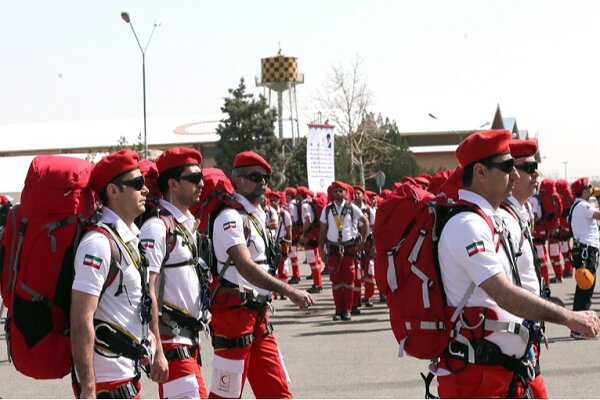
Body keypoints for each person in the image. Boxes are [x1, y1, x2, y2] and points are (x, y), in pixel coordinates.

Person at [435, 130, 600, 398]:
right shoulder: (467, 226)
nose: (515, 175)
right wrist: (569, 317)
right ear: (480, 172)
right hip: (478, 379)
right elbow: (503, 293)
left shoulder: (489, 219)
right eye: (508, 167)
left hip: (505, 370)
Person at [208, 151, 314, 399]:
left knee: (277, 392)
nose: (263, 183)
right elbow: (246, 267)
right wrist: (288, 290)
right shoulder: (230, 217)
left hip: (259, 317)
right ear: (237, 179)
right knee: (226, 396)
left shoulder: (258, 216)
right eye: (255, 177)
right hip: (234, 320)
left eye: (265, 177)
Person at [71, 149, 152, 399]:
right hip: (107, 383)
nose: (146, 190)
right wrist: (88, 387)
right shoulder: (98, 243)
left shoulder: (127, 238)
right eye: (138, 184)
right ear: (113, 191)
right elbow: (81, 318)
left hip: (127, 374)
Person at [139, 147, 209, 398]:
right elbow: (146, 292)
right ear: (173, 184)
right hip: (171, 342)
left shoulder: (185, 225)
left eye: (201, 177)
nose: (202, 183)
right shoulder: (157, 228)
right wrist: (156, 349)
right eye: (194, 178)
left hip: (188, 342)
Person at [498, 139, 548, 398]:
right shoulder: (504, 218)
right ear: (511, 174)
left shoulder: (519, 211)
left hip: (527, 332)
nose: (535, 173)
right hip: (516, 334)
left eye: (535, 166)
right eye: (529, 167)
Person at [318, 181, 368, 321]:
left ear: (346, 193)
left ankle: (347, 310)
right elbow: (322, 231)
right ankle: (338, 310)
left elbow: (365, 222)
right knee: (336, 282)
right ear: (332, 194)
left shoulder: (352, 208)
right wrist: (321, 250)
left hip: (349, 248)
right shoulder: (327, 210)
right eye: (335, 191)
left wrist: (363, 240)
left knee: (349, 281)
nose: (338, 193)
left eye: (341, 191)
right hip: (333, 249)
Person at [569, 177, 600, 339]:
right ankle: (579, 328)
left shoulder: (579, 205)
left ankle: (578, 327)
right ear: (583, 191)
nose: (592, 188)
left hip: (586, 249)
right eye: (589, 186)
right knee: (585, 288)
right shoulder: (583, 206)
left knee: (584, 288)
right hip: (587, 250)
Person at [353, 185, 376, 308]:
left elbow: (375, 230)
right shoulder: (349, 209)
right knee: (357, 273)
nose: (356, 196)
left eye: (358, 193)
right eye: (354, 193)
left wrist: (374, 247)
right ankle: (357, 298)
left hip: (368, 245)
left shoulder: (369, 211)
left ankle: (369, 297)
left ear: (363, 195)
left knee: (369, 272)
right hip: (355, 245)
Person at [267, 190, 293, 300]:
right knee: (272, 267)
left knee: (283, 268)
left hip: (282, 242)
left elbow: (289, 230)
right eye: (271, 200)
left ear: (279, 201)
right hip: (271, 243)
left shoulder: (284, 214)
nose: (273, 202)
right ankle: (273, 292)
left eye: (275, 200)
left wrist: (289, 244)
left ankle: (283, 292)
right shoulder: (266, 212)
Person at [297, 186, 323, 293]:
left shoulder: (305, 205)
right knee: (315, 260)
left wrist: (302, 232)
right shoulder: (310, 202)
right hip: (315, 234)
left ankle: (317, 285)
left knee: (312, 261)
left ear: (300, 195)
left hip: (310, 235)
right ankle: (318, 283)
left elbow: (308, 220)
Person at [284, 187, 302, 284]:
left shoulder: (291, 206)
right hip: (295, 231)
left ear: (290, 195)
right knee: (293, 255)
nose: (285, 197)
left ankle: (296, 275)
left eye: (286, 195)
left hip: (293, 232)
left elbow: (291, 219)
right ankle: (296, 274)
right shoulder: (295, 204)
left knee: (293, 255)